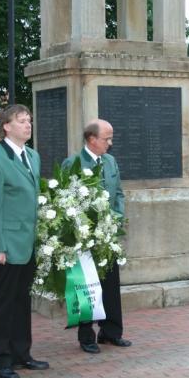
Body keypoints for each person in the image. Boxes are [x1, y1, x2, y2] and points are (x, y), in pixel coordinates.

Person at [0, 104, 49, 378]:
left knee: (22, 301)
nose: (28, 125)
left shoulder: (32, 155)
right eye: (21, 121)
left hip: (28, 243)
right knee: (4, 304)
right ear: (6, 126)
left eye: (29, 120)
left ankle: (21, 354)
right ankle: (1, 361)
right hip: (6, 245)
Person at [62, 118, 131, 354]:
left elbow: (119, 194)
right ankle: (86, 336)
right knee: (87, 285)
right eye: (106, 138)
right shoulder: (73, 163)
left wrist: (115, 219)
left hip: (108, 235)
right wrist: (85, 228)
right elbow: (66, 199)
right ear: (92, 139)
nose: (110, 143)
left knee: (110, 284)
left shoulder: (110, 162)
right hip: (84, 237)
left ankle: (110, 332)